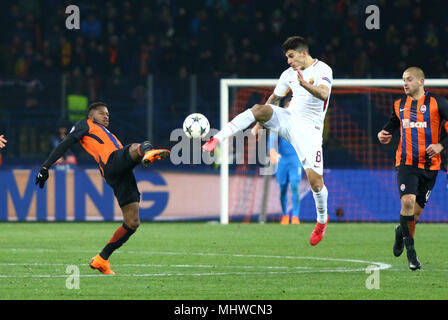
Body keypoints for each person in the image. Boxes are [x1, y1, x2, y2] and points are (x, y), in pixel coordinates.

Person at [203, 36, 332, 245]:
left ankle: (321, 220)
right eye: (287, 58)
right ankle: (217, 139)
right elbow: (275, 98)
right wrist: (259, 122)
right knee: (256, 108)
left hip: (310, 131)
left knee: (316, 184)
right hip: (289, 120)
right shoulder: (288, 74)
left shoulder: (323, 70)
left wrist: (303, 84)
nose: (289, 61)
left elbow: (323, 94)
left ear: (303, 53)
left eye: (291, 57)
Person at [35, 102, 170, 274]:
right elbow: (66, 142)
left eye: (107, 114)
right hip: (111, 162)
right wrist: (46, 166)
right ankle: (148, 152)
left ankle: (101, 259)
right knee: (138, 146)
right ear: (91, 116)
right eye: (101, 113)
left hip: (120, 173)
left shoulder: (108, 133)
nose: (106, 116)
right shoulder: (85, 125)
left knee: (132, 222)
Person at [378, 67, 448, 270]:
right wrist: (384, 132)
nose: (405, 83)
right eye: (403, 80)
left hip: (430, 166)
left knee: (414, 217)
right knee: (407, 202)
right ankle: (412, 254)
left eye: (409, 80)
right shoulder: (399, 104)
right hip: (406, 162)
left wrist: (440, 145)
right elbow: (393, 122)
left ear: (421, 81)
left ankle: (401, 232)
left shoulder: (438, 103)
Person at [269, 129, 303, 225]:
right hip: (282, 160)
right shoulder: (281, 121)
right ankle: (285, 215)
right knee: (283, 188)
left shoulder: (298, 121)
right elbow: (273, 134)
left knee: (294, 186)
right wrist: (272, 150)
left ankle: (295, 216)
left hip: (295, 160)